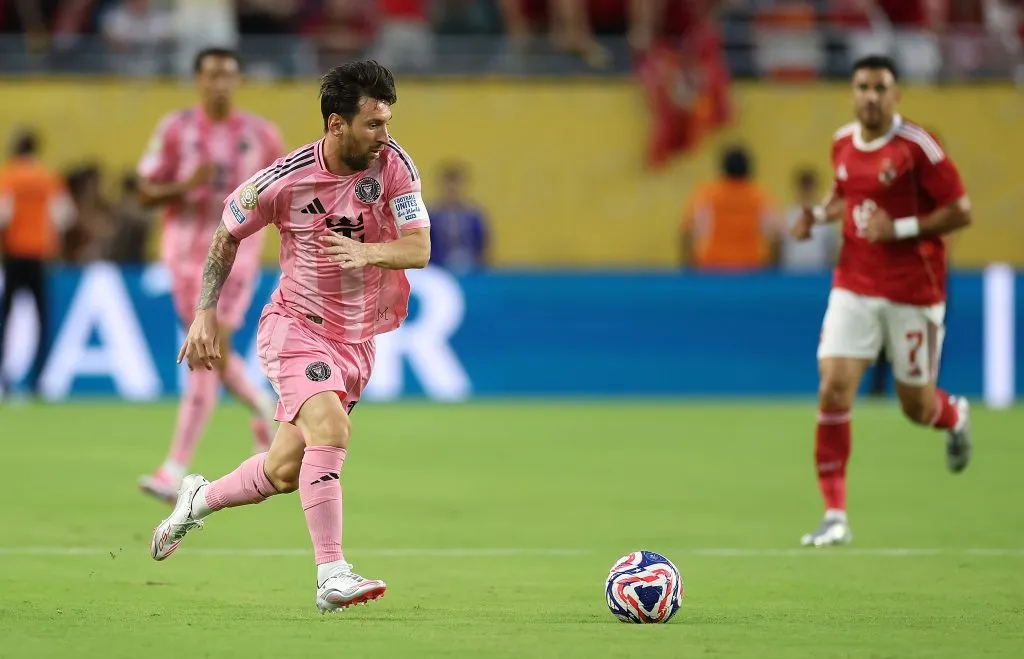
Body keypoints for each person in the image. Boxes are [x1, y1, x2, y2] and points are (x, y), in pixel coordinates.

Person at [149, 61, 432, 613]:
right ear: (336, 123)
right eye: (373, 124)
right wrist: (205, 312)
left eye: (387, 122)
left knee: (282, 471)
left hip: (357, 343)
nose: (385, 135)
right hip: (295, 327)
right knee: (332, 428)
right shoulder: (284, 179)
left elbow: (419, 248)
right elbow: (226, 233)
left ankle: (197, 499)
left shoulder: (395, 166)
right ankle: (332, 575)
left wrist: (368, 252)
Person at [790, 55, 973, 548]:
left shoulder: (918, 148)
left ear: (895, 95)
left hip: (914, 291)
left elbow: (961, 210)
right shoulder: (842, 142)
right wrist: (815, 216)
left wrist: (901, 229)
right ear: (853, 93)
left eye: (880, 88)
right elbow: (843, 194)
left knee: (916, 406)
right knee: (833, 387)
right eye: (863, 87)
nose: (870, 96)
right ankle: (834, 516)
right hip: (854, 283)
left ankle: (954, 415)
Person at [136, 47, 285, 504]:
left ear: (237, 81)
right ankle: (263, 405)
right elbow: (144, 192)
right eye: (212, 75)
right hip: (183, 256)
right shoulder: (175, 128)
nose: (220, 83)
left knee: (205, 348)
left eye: (228, 75)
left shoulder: (262, 136)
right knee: (210, 351)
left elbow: (286, 194)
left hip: (237, 254)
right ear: (198, 80)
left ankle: (174, 468)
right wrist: (186, 185)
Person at [0, 128, 75, 398]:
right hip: (41, 256)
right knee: (42, 319)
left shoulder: (8, 176)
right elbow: (65, 216)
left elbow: (3, 216)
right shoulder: (49, 179)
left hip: (14, 254)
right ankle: (38, 380)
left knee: (6, 318)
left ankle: (4, 379)